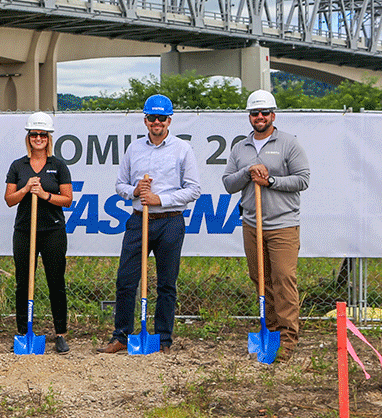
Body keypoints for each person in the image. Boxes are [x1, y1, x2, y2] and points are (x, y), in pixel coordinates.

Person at [101, 94, 201, 354]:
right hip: (138, 221)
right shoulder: (134, 149)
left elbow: (193, 190)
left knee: (167, 283)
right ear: (145, 120)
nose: (156, 122)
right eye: (151, 118)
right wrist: (135, 191)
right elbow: (119, 185)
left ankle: (163, 338)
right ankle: (121, 335)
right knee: (126, 280)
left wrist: (161, 199)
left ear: (169, 121)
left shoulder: (182, 149)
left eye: (161, 118)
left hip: (170, 221)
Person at [222, 89, 311, 362]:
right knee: (261, 280)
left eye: (264, 113)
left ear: (273, 115)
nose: (259, 117)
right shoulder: (241, 148)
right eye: (254, 113)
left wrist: (271, 181)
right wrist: (248, 173)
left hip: (283, 224)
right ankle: (270, 332)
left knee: (283, 280)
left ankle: (288, 338)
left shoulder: (288, 143)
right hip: (252, 223)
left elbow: (303, 179)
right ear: (249, 117)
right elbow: (228, 184)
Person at [4, 111, 74, 353]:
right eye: (34, 134)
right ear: (28, 137)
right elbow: (9, 199)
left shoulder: (58, 166)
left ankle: (61, 333)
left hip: (52, 231)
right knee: (24, 283)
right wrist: (26, 189)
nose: (38, 138)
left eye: (43, 134)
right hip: (25, 230)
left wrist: (44, 195)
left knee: (56, 282)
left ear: (48, 137)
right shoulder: (18, 166)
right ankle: (24, 331)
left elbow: (67, 200)